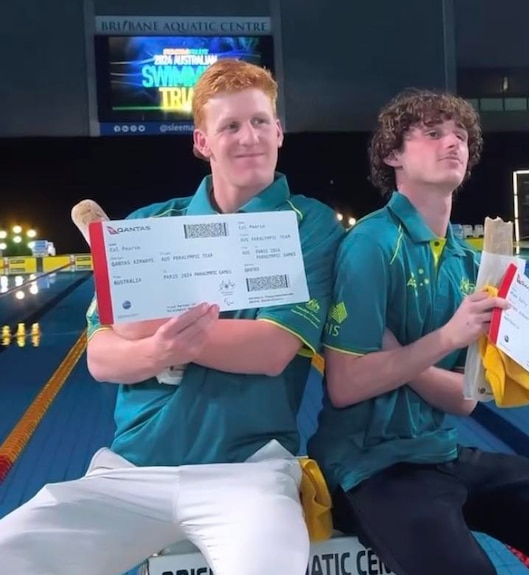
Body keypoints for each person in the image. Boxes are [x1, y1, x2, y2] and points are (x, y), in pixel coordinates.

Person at [0, 59, 344, 575]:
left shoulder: (308, 224)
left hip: (247, 474)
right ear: (202, 142)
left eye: (258, 121)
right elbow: (101, 358)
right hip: (129, 473)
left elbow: (271, 350)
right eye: (229, 126)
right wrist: (157, 350)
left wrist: (149, 326)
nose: (247, 137)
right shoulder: (146, 225)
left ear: (278, 130)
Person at [306, 88, 529, 575]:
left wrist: (405, 355)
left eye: (460, 135)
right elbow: (345, 385)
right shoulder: (372, 244)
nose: (453, 143)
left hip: (440, 454)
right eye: (432, 133)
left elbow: (465, 399)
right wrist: (444, 339)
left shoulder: (470, 263)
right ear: (392, 155)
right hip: (369, 467)